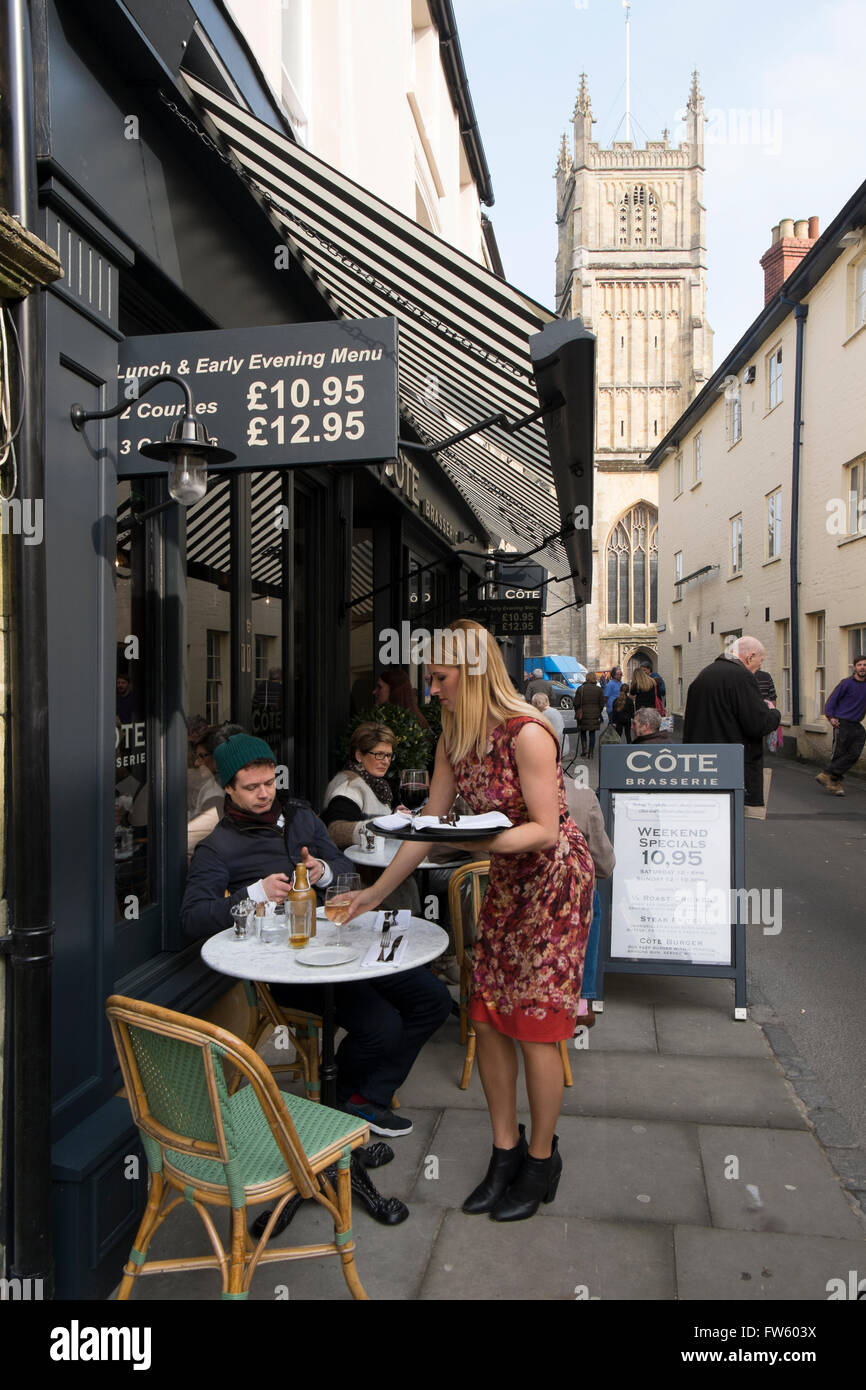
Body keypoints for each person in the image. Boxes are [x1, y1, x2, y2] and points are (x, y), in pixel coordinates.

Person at [343, 619, 595, 1222]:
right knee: (485, 1016)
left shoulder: (528, 734)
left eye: (439, 677)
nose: (431, 689)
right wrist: (374, 892)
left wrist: (472, 841)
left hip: (554, 885)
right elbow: (429, 826)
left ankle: (540, 1160)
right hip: (509, 879)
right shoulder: (453, 738)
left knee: (533, 1021)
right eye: (428, 677)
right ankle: (503, 1152)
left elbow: (543, 829)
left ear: (473, 671)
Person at [181, 733, 451, 1137]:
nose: (264, 794)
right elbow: (194, 919)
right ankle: (341, 1103)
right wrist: (252, 894)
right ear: (229, 789)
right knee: (382, 1026)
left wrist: (325, 871)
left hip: (343, 940)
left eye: (269, 782)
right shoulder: (218, 847)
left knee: (433, 1000)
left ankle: (363, 1098)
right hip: (287, 967)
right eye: (251, 788)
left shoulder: (300, 817)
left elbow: (347, 869)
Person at [321, 722, 420, 912]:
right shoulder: (349, 786)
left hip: (377, 875)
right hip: (358, 882)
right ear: (359, 755)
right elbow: (334, 831)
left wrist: (394, 818)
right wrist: (385, 823)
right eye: (378, 754)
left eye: (389, 755)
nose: (385, 761)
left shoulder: (375, 784)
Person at [682, 637, 781, 806]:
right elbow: (758, 724)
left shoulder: (704, 674)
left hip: (700, 765)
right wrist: (774, 712)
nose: (759, 668)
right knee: (732, 822)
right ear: (750, 656)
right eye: (760, 662)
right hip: (732, 767)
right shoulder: (742, 677)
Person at [816, 655, 866, 796]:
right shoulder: (846, 683)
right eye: (860, 665)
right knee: (840, 754)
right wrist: (831, 717)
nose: (862, 667)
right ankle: (837, 784)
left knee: (854, 754)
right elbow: (831, 701)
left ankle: (827, 774)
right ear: (854, 667)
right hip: (842, 722)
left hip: (856, 724)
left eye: (865, 665)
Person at [576, 672, 605, 757]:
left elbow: (576, 703)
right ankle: (591, 752)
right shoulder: (599, 690)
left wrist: (577, 711)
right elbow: (602, 704)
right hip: (595, 715)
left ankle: (584, 750)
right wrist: (598, 712)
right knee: (592, 733)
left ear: (587, 678)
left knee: (583, 732)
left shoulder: (581, 689)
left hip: (583, 714)